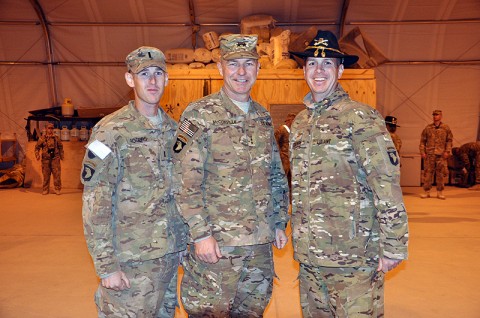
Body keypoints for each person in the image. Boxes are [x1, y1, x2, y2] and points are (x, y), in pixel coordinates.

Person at [289, 30, 409, 317]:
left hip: (353, 257)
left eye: (327, 64)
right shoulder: (301, 122)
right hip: (310, 257)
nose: (319, 71)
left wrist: (394, 244)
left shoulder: (360, 117)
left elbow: (385, 181)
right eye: (313, 64)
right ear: (304, 70)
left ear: (340, 70)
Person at [173, 34, 289, 317]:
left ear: (258, 70)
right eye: (233, 64)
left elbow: (274, 173)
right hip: (217, 247)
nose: (241, 72)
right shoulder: (199, 114)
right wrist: (200, 234)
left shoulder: (262, 117)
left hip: (258, 247)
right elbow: (184, 179)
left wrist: (278, 221)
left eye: (248, 64)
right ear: (220, 69)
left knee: (252, 312)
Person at [81, 46, 187, 317]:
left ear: (167, 79)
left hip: (167, 261)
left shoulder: (175, 131)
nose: (152, 81)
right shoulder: (109, 132)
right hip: (129, 263)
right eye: (143, 74)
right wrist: (106, 266)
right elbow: (96, 202)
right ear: (130, 79)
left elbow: (183, 192)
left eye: (158, 73)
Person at [419, 109, 453, 199]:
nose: (435, 116)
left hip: (441, 154)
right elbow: (422, 141)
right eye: (434, 115)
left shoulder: (446, 128)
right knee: (428, 173)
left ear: (441, 116)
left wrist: (447, 151)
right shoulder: (428, 128)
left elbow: (449, 140)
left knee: (440, 173)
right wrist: (422, 152)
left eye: (437, 115)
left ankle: (440, 192)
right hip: (430, 154)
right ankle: (427, 191)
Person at [34, 122, 64, 195]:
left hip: (55, 158)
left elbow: (60, 147)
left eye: (51, 128)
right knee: (46, 175)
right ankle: (45, 189)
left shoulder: (56, 138)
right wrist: (37, 155)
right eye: (49, 128)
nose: (50, 130)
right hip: (45, 159)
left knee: (57, 174)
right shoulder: (42, 138)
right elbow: (37, 148)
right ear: (46, 129)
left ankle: (57, 189)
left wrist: (61, 155)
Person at [274, 112, 296, 201]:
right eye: (293, 121)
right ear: (289, 120)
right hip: (283, 161)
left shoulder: (293, 131)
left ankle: (290, 201)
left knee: (291, 182)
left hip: (291, 161)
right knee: (283, 180)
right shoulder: (282, 129)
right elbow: (275, 143)